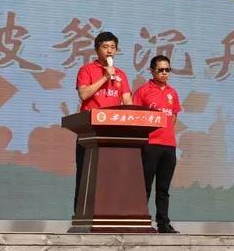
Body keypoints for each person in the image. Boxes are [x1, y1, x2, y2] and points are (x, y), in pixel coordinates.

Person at [74, 31, 132, 210]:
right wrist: (106, 77)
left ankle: (109, 213)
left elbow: (128, 101)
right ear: (96, 49)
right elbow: (84, 94)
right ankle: (82, 215)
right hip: (90, 131)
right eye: (105, 47)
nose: (109, 51)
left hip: (113, 132)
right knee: (86, 175)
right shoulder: (86, 70)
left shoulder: (121, 74)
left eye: (113, 47)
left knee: (111, 176)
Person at [133, 55, 182, 234]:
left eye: (167, 70)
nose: (164, 73)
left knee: (163, 188)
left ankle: (163, 223)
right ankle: (140, 221)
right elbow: (135, 116)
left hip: (169, 145)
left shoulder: (172, 93)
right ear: (152, 71)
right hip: (150, 144)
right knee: (144, 185)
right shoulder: (143, 91)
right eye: (160, 70)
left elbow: (173, 117)